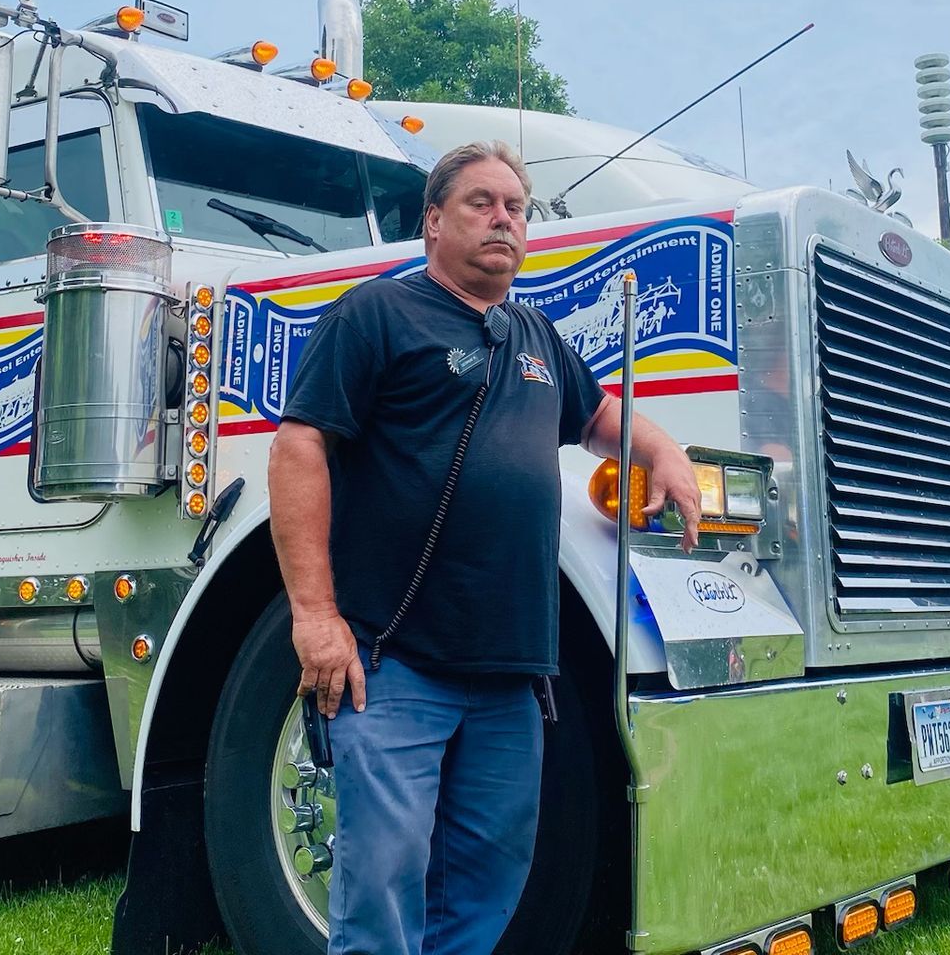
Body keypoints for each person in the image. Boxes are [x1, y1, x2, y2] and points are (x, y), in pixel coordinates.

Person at [267, 139, 703, 955]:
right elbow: (299, 450)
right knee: (381, 888)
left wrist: (665, 453)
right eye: (481, 203)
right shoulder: (376, 315)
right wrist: (316, 616)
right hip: (397, 664)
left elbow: (603, 419)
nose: (504, 219)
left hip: (511, 678)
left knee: (486, 880)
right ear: (433, 221)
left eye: (517, 208)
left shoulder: (535, 334)